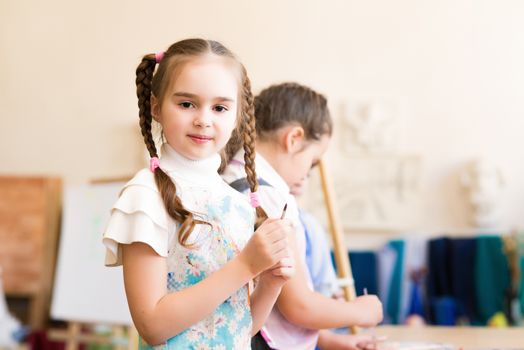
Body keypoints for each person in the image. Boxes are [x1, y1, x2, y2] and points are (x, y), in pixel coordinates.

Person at [102, 39, 295, 349]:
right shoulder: (144, 195)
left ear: (237, 116)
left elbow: (238, 328)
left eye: (219, 107)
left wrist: (271, 281)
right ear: (156, 108)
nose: (204, 119)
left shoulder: (237, 203)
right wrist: (246, 265)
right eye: (186, 104)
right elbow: (152, 326)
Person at [222, 82, 383, 350]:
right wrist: (360, 311)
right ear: (294, 138)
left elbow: (274, 309)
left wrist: (333, 341)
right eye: (312, 163)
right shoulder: (269, 198)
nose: (306, 176)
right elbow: (298, 306)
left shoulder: (228, 179)